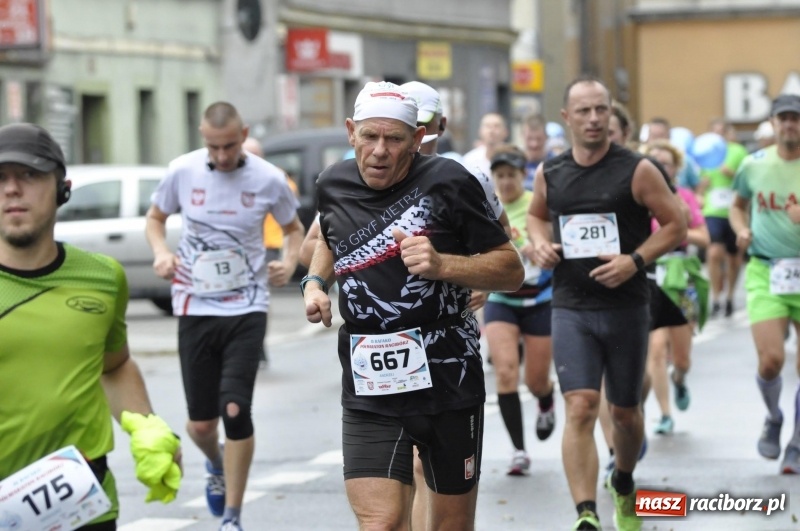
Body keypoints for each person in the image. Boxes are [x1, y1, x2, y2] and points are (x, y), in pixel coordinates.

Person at [302, 80, 523, 530]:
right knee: (381, 522)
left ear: (418, 139)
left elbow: (510, 269)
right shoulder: (332, 183)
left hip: (447, 375)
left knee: (450, 525)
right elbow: (330, 235)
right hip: (370, 380)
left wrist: (444, 264)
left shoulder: (450, 181)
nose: (379, 151)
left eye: (394, 139)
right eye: (369, 137)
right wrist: (314, 283)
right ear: (351, 133)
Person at [0, 123, 182, 530]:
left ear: (62, 188)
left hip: (80, 498)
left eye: (29, 175)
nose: (12, 189)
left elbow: (113, 365)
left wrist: (148, 428)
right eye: (0, 178)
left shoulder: (103, 277)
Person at [527, 76, 686, 531]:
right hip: (570, 304)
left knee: (624, 413)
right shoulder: (550, 172)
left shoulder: (637, 169)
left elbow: (676, 224)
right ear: (567, 118)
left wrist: (634, 261)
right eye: (584, 111)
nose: (594, 119)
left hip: (625, 306)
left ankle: (624, 478)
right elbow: (537, 217)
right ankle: (586, 513)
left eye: (601, 109)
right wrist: (539, 244)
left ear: (611, 114)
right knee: (579, 405)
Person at [145, 102, 304, 531]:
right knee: (200, 425)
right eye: (212, 147)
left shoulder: (269, 179)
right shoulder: (183, 170)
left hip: (247, 306)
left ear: (244, 134)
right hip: (194, 306)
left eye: (229, 146)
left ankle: (232, 517)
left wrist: (289, 265)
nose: (221, 156)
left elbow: (294, 230)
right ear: (202, 138)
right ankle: (215, 461)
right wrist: (161, 253)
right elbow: (155, 219)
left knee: (235, 409)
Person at [729, 93, 800, 474]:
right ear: (773, 123)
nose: (790, 125)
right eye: (784, 119)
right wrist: (741, 229)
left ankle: (798, 441)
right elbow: (737, 205)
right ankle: (774, 417)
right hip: (766, 271)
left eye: (796, 119)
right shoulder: (754, 165)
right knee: (771, 360)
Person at [485, 145, 556, 476]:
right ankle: (518, 451)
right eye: (499, 176)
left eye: (511, 175)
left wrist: (536, 246)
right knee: (505, 372)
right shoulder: (486, 207)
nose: (506, 182)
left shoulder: (535, 206)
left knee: (536, 379)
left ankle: (545, 399)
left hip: (539, 298)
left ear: (522, 176)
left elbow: (557, 244)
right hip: (502, 300)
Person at [642, 140, 711, 435]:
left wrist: (681, 224)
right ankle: (665, 413)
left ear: (675, 168)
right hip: (650, 273)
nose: (661, 166)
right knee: (655, 349)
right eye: (655, 160)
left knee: (681, 358)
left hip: (681, 274)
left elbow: (704, 238)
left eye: (667, 162)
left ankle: (680, 379)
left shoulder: (684, 197)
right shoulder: (638, 196)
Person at [243, 136, 299, 369]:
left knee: (258, 296)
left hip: (268, 245)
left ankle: (258, 348)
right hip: (243, 246)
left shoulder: (276, 178)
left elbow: (291, 216)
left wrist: (288, 258)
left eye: (254, 155)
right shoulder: (237, 175)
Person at [698, 119, 749, 318]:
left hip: (733, 210)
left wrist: (732, 173)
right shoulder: (703, 154)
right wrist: (701, 190)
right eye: (714, 132)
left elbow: (747, 179)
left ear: (728, 134)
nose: (718, 135)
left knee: (734, 258)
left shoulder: (737, 151)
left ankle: (729, 296)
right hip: (712, 210)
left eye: (722, 131)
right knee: (713, 252)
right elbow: (699, 183)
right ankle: (716, 297)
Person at [462, 111, 510, 178]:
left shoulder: (513, 158)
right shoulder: (469, 160)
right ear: (480, 131)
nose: (492, 130)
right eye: (488, 126)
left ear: (505, 132)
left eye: (497, 126)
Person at [519, 113, 551, 191]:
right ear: (522, 136)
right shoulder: (514, 163)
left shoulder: (556, 163)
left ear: (546, 137)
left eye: (538, 139)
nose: (534, 144)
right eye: (529, 138)